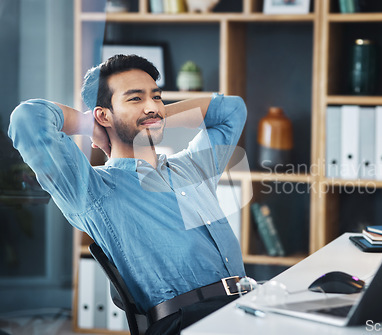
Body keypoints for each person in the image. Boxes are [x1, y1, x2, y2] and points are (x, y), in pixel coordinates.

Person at [8, 54, 248, 334]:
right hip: (187, 324)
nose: (151, 106)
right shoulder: (93, 191)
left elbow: (232, 110)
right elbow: (27, 120)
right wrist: (88, 124)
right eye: (135, 98)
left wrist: (156, 115)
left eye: (156, 97)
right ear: (103, 115)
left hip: (244, 307)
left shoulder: (192, 167)